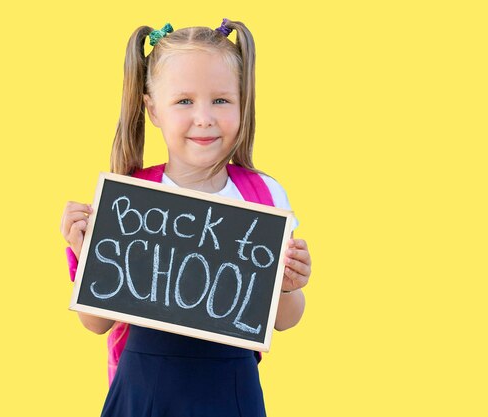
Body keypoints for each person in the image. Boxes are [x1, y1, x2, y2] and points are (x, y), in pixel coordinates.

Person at [60, 19, 312, 417]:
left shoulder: (264, 197)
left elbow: (284, 321)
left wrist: (288, 286)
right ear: (152, 109)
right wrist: (88, 252)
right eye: (184, 101)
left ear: (243, 102)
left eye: (221, 100)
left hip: (231, 391)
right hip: (144, 391)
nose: (204, 117)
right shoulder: (128, 198)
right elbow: (96, 323)